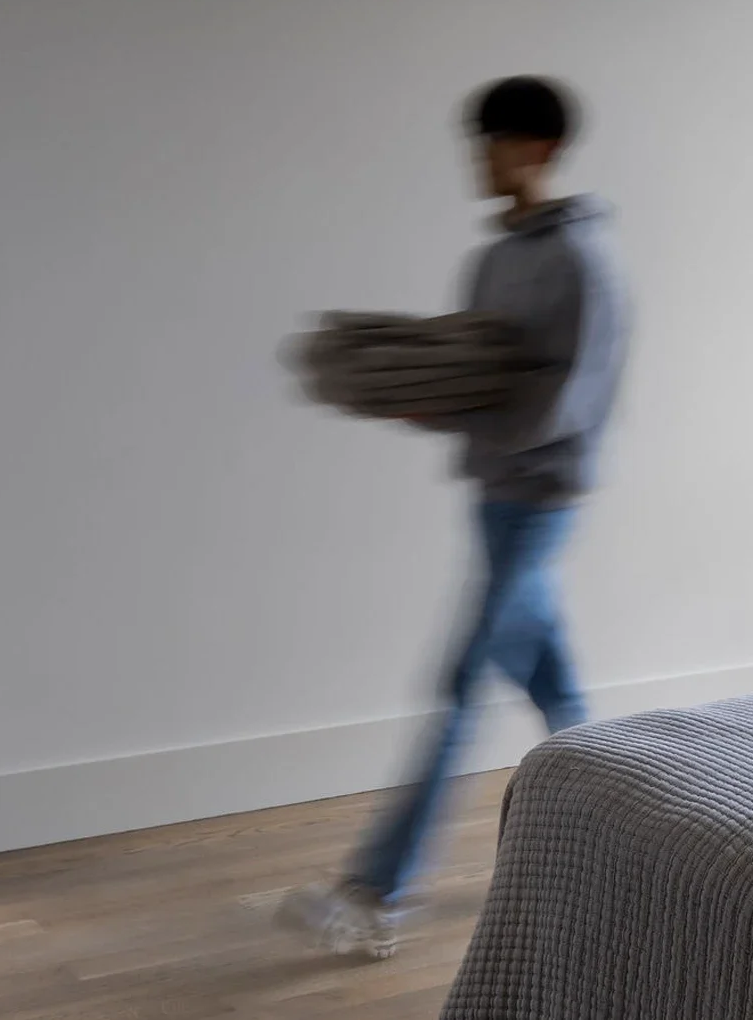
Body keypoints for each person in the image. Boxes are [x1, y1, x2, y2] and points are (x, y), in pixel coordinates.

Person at [279, 75, 627, 959]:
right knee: (559, 696)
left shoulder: (585, 266)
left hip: (541, 502)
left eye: (493, 142)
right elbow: (476, 371)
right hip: (489, 498)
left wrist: (473, 406)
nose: (478, 159)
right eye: (476, 143)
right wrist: (420, 396)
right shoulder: (493, 258)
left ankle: (376, 889)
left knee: (460, 683)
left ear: (539, 149)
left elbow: (568, 403)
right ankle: (637, 844)